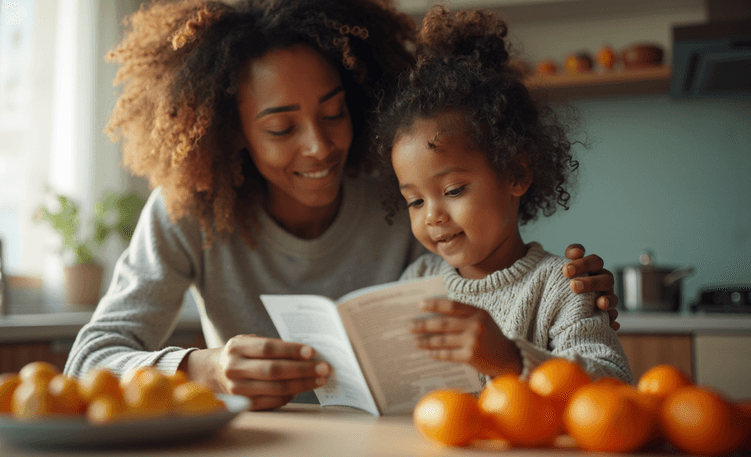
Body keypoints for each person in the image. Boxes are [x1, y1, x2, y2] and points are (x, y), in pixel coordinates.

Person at [64, 0, 621, 411]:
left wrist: (566, 297)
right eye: (281, 127)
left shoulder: (398, 182)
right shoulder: (190, 210)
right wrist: (203, 368)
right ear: (233, 134)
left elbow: (509, 281)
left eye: (334, 113)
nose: (320, 145)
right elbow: (88, 360)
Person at [374, 6, 631, 382]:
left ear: (516, 172)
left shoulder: (561, 286)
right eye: (415, 200)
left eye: (453, 190)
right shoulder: (418, 280)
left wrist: (512, 361)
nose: (432, 215)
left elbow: (614, 383)